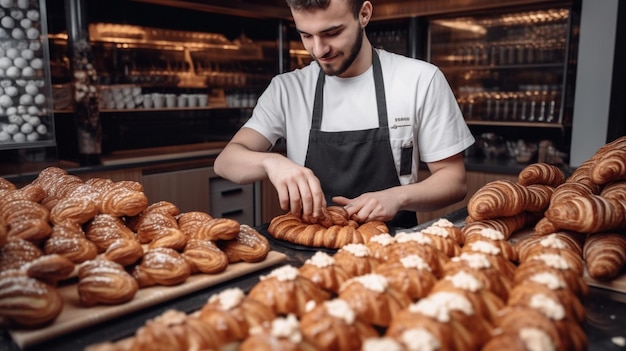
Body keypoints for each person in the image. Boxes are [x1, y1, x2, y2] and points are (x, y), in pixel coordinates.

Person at [214, 0, 475, 228]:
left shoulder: (420, 80)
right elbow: (226, 161)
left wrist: (398, 197)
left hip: (394, 248)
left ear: (364, 14)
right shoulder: (287, 89)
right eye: (306, 35)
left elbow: (453, 180)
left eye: (332, 32)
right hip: (309, 247)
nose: (318, 50)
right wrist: (271, 163)